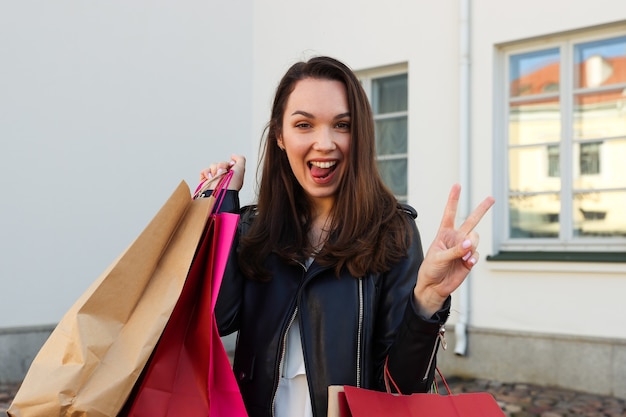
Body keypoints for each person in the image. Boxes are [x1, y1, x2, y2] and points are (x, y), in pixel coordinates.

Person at [199, 56, 494, 417]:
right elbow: (215, 319)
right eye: (304, 124)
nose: (325, 144)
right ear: (280, 135)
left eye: (342, 125)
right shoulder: (254, 229)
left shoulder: (393, 233)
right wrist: (221, 208)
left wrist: (428, 299)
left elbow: (403, 388)